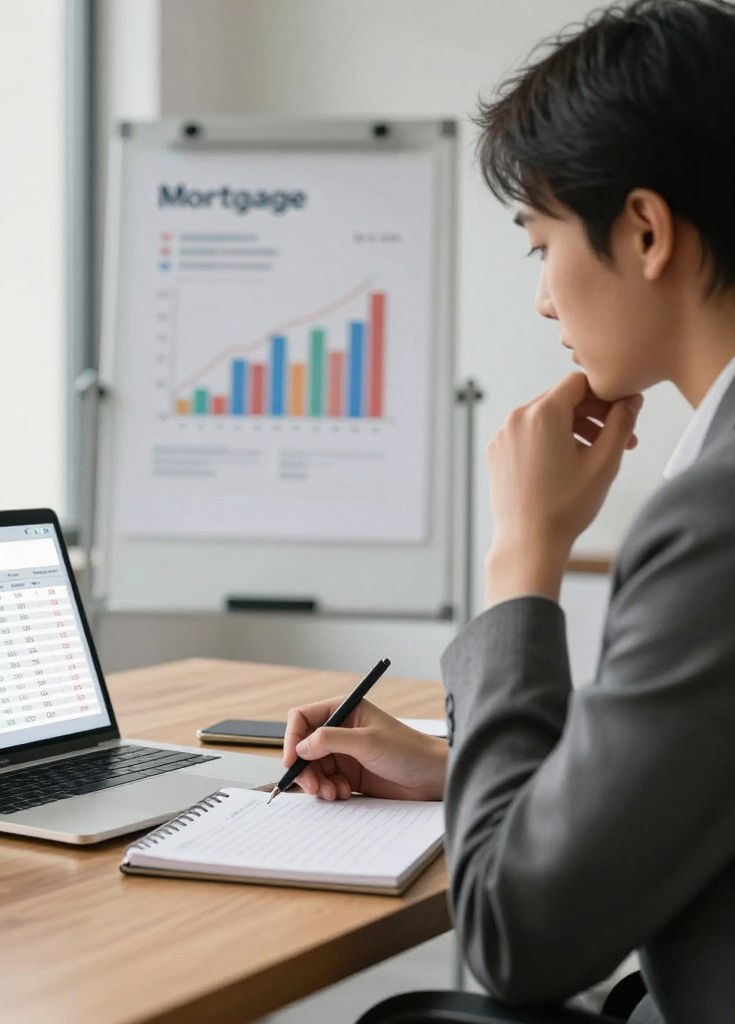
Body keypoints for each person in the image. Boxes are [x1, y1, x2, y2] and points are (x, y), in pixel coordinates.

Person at [282, 2, 735, 1021]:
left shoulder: (714, 517)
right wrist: (457, 767)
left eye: (540, 245)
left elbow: (514, 935)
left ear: (646, 229)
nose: (542, 299)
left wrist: (522, 555)